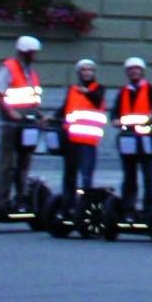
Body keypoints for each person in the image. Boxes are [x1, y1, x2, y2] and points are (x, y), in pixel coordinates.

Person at [0, 33, 43, 208]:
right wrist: (11, 111)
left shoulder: (31, 73)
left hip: (28, 125)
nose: (35, 55)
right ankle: (2, 198)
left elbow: (32, 100)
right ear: (24, 52)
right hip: (11, 125)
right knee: (8, 162)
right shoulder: (9, 68)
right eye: (33, 52)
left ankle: (21, 196)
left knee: (25, 161)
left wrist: (41, 117)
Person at [114, 57, 152, 212]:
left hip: (146, 138)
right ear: (127, 72)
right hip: (128, 138)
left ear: (142, 71)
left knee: (149, 175)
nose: (134, 71)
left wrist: (150, 122)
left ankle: (150, 207)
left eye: (137, 69)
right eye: (131, 69)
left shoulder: (151, 90)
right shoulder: (123, 92)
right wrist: (115, 121)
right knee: (129, 175)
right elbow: (114, 113)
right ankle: (128, 207)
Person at [58, 59, 105, 213]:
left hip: (88, 140)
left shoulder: (98, 89)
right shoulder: (72, 89)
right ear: (79, 73)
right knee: (69, 175)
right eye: (83, 70)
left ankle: (85, 207)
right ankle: (67, 205)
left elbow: (97, 100)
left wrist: (87, 92)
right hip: (71, 139)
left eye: (90, 69)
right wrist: (51, 118)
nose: (87, 72)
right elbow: (64, 108)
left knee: (86, 176)